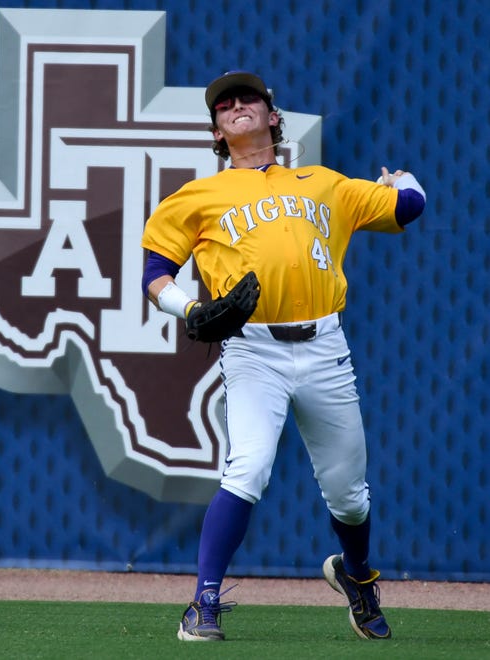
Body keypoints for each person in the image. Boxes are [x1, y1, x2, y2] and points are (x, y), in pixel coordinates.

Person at [140, 70, 426, 642]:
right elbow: (154, 273)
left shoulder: (322, 182)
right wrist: (191, 311)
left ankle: (359, 578)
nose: (237, 105)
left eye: (248, 98)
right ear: (217, 132)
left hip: (324, 347)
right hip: (253, 352)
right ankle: (203, 604)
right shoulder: (198, 196)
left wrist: (403, 179)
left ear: (273, 117)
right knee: (246, 470)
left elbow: (408, 206)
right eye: (224, 105)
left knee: (348, 493)